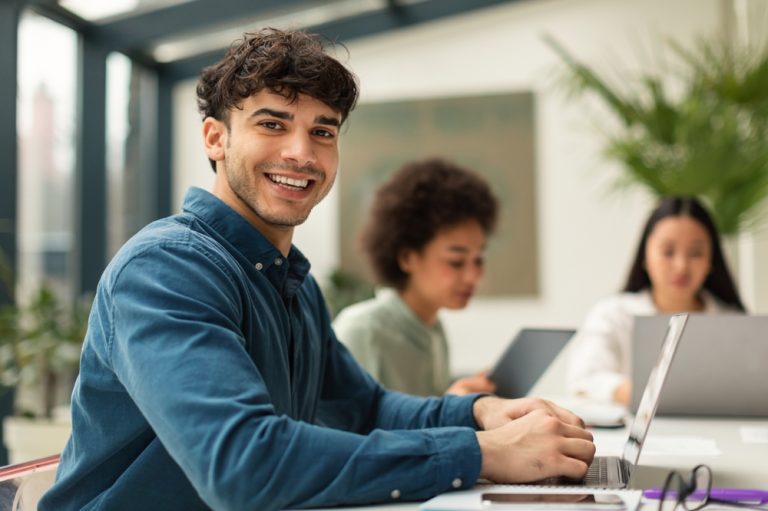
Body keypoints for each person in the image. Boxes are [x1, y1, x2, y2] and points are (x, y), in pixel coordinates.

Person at [40, 28, 594, 511]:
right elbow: (241, 464)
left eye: (323, 132)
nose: (302, 153)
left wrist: (481, 415)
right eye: (272, 124)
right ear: (215, 138)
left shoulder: (287, 279)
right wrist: (482, 455)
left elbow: (365, 407)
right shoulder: (167, 268)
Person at [333, 159, 498, 397]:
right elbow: (347, 431)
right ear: (407, 258)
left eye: (479, 260)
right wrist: (451, 405)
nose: (473, 276)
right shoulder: (362, 330)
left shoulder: (432, 330)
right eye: (456, 262)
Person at [565, 196, 746, 405]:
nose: (681, 266)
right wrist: (646, 394)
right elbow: (583, 380)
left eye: (695, 253)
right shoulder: (613, 314)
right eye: (668, 252)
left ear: (710, 260)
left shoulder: (733, 321)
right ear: (646, 256)